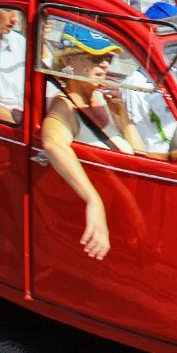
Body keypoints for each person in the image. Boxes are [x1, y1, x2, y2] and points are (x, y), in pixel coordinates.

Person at [39, 24, 139, 261]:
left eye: (107, 59)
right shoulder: (64, 106)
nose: (105, 65)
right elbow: (52, 143)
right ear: (69, 61)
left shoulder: (102, 99)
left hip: (126, 203)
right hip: (102, 210)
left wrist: (123, 116)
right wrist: (93, 200)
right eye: (96, 58)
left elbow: (138, 155)